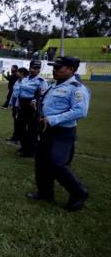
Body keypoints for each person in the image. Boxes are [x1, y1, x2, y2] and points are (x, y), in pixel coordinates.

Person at [26, 56, 90, 212]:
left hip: (62, 132)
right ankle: (45, 193)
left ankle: (79, 192)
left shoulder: (77, 88)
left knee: (57, 163)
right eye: (54, 67)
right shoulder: (54, 85)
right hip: (46, 129)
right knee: (41, 162)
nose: (54, 70)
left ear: (71, 70)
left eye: (58, 68)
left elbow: (80, 111)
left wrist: (54, 119)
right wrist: (37, 103)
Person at [16, 60, 48, 158]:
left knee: (32, 130)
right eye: (34, 68)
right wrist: (17, 105)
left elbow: (44, 95)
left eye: (38, 68)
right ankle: (25, 145)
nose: (36, 70)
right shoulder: (25, 79)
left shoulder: (41, 81)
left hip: (33, 106)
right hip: (22, 104)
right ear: (30, 68)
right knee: (19, 127)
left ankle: (29, 151)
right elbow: (20, 92)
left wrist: (35, 101)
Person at [7, 67, 29, 143]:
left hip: (20, 105)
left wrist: (18, 105)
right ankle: (15, 136)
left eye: (18, 72)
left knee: (20, 122)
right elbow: (14, 93)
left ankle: (20, 138)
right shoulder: (17, 81)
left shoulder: (26, 82)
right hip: (14, 104)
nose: (17, 73)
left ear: (22, 73)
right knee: (16, 121)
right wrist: (11, 103)